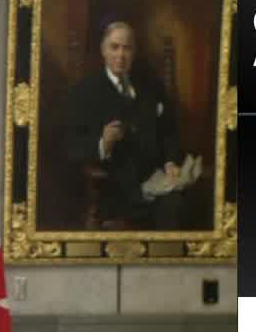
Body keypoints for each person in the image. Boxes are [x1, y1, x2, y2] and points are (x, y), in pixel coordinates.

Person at [64, 21, 201, 230]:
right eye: (114, 47)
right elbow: (72, 145)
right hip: (116, 189)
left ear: (134, 52)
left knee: (179, 208)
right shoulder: (85, 91)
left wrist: (170, 161)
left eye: (127, 48)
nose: (121, 55)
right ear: (103, 50)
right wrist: (103, 144)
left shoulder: (148, 84)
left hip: (157, 182)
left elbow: (168, 129)